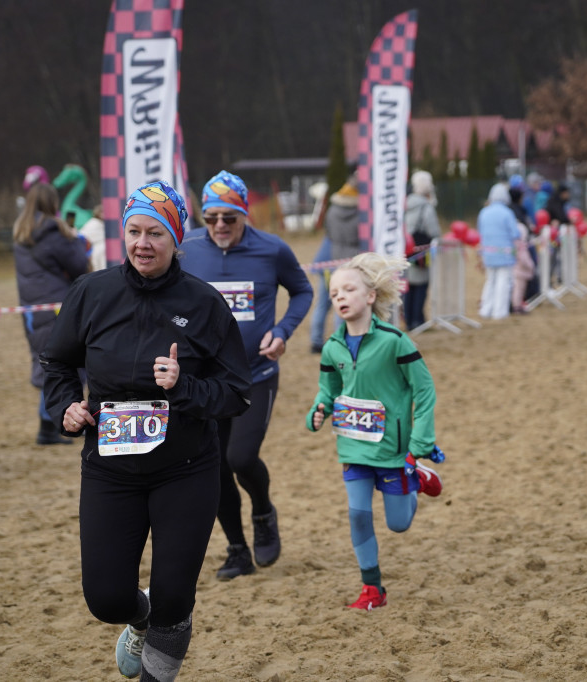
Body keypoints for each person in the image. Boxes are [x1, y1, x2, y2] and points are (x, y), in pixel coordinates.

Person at [40, 180, 252, 680]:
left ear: (176, 238)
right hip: (110, 471)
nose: (142, 243)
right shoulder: (91, 293)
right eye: (134, 231)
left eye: (155, 233)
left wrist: (183, 389)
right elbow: (56, 364)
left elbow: (236, 392)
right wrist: (66, 408)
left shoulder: (203, 303)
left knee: (175, 598)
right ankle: (140, 617)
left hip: (185, 470)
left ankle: (161, 654)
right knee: (107, 598)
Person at [181, 170, 313, 580]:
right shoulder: (185, 250)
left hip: (256, 372)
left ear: (244, 215)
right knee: (214, 467)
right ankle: (237, 550)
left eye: (229, 218)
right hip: (206, 381)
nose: (220, 226)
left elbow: (303, 291)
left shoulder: (272, 250)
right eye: (212, 218)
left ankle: (263, 511)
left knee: (240, 457)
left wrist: (282, 330)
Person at [306, 251, 441, 610]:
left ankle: (418, 476)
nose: (340, 297)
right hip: (353, 446)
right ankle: (372, 589)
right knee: (357, 514)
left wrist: (421, 440)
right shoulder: (332, 346)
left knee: (398, 524)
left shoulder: (396, 342)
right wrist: (318, 410)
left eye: (348, 289)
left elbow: (424, 390)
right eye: (334, 293)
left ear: (370, 296)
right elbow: (328, 390)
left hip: (394, 449)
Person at [12, 182, 90, 445]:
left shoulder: (21, 235)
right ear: (53, 204)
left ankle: (47, 423)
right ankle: (53, 422)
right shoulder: (53, 233)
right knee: (66, 365)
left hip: (33, 312)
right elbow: (79, 264)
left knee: (48, 364)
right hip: (58, 308)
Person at [310, 173, 362, 351]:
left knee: (323, 303)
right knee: (345, 302)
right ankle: (342, 340)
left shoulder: (332, 210)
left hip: (328, 259)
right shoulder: (361, 213)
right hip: (349, 262)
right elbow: (360, 237)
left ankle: (316, 340)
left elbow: (329, 234)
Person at [403, 171, 441, 331]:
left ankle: (408, 319)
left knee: (408, 286)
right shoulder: (426, 206)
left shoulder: (404, 204)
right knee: (421, 286)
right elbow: (434, 231)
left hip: (405, 250)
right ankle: (417, 320)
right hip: (420, 252)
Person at [476, 183, 521, 320]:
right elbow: (515, 233)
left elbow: (480, 232)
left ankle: (486, 309)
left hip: (488, 254)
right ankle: (499, 312)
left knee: (490, 281)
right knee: (503, 282)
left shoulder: (484, 212)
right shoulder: (507, 213)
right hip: (505, 254)